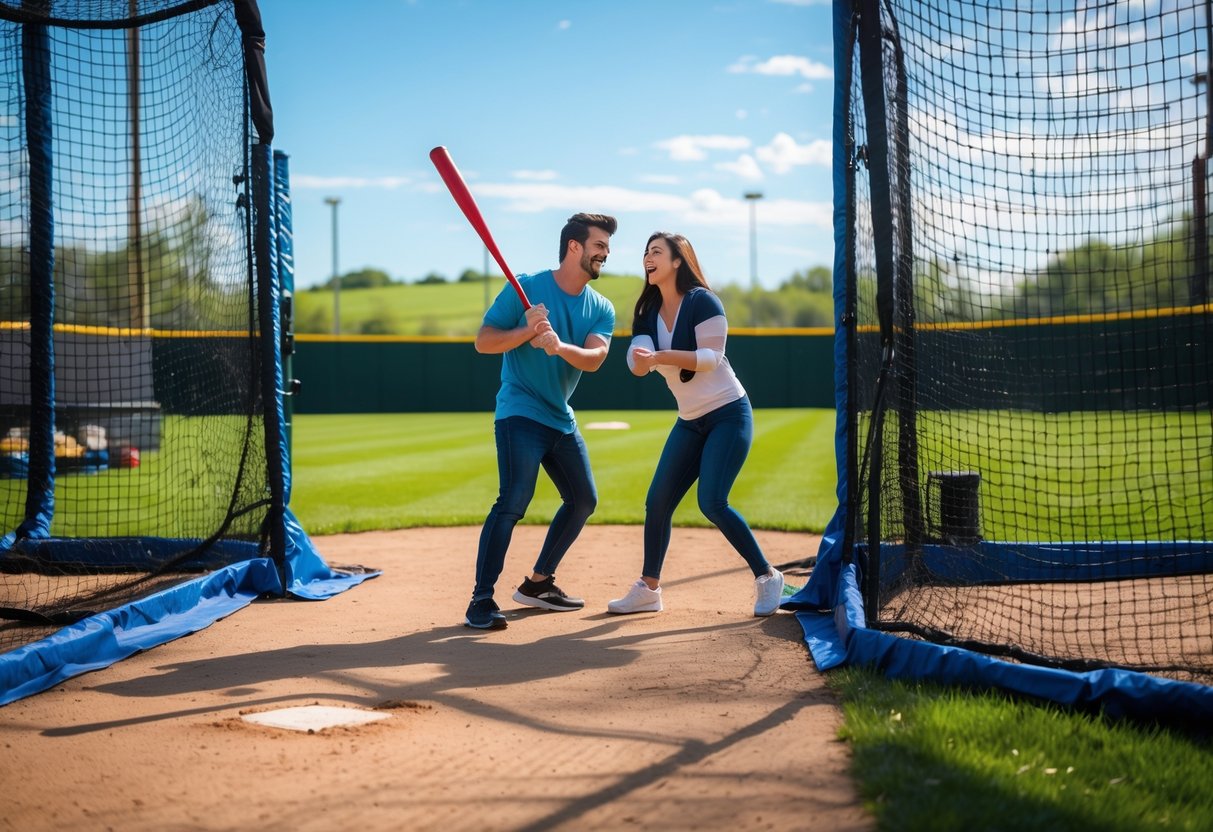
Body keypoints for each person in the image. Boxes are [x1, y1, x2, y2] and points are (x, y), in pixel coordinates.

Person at [607, 231, 784, 617]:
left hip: (727, 413)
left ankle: (768, 576)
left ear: (677, 261)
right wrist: (638, 360)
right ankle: (648, 589)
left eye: (656, 251)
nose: (647, 258)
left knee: (712, 501)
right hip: (689, 421)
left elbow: (710, 358)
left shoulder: (703, 301)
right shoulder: (646, 310)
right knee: (657, 501)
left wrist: (658, 356)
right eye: (645, 252)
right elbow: (637, 363)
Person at [464, 213, 618, 630]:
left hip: (560, 418)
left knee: (583, 500)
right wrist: (525, 331)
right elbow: (484, 341)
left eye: (606, 246)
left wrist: (558, 345)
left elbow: (596, 358)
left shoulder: (601, 307)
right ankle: (481, 599)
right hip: (519, 410)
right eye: (599, 245)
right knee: (514, 500)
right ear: (574, 247)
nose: (605, 252)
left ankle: (538, 583)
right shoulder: (527, 287)